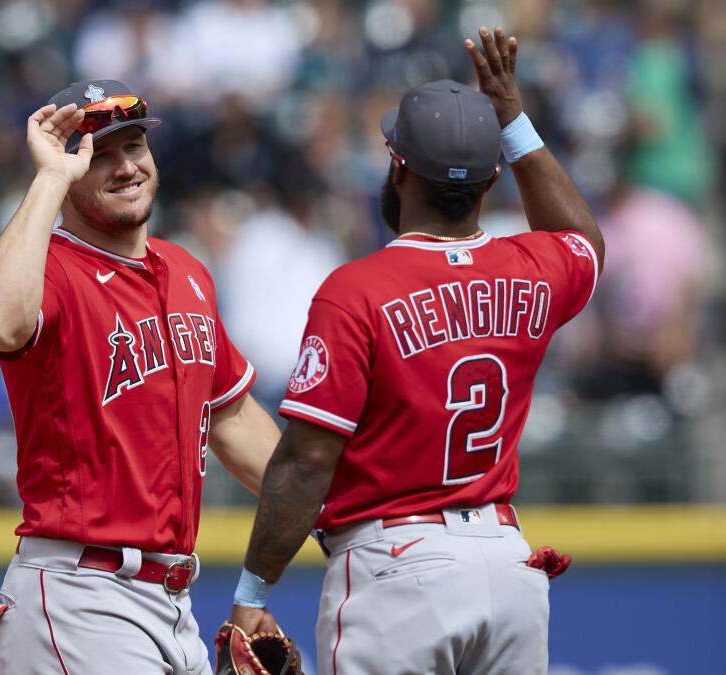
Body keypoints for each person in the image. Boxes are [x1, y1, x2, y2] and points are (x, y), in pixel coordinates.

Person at [227, 28, 605, 674]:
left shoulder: (358, 289)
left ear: (398, 166)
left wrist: (253, 591)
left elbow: (309, 457)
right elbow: (583, 239)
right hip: (508, 563)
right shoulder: (534, 268)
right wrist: (512, 119)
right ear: (491, 178)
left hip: (396, 564)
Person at [0, 80, 280, 674]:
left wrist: (346, 515)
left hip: (174, 598)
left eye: (134, 146)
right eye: (98, 155)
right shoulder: (49, 268)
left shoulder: (186, 272)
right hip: (82, 591)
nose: (125, 166)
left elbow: (232, 418)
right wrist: (50, 179)